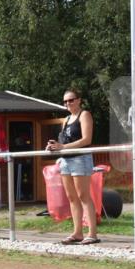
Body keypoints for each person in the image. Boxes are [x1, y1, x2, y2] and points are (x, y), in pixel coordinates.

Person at [47, 89, 99, 245]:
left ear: (78, 100)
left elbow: (86, 139)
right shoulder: (66, 119)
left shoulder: (85, 115)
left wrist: (63, 146)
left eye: (70, 100)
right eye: (65, 101)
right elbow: (63, 141)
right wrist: (55, 146)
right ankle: (77, 233)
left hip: (80, 158)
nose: (67, 103)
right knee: (71, 197)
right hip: (66, 160)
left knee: (84, 196)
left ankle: (92, 234)